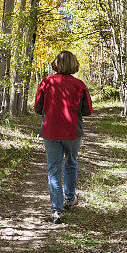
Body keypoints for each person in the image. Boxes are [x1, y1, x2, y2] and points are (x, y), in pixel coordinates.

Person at [34, 50, 93, 224]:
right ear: (74, 64)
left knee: (54, 169)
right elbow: (87, 110)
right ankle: (70, 198)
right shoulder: (79, 85)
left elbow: (38, 108)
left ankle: (56, 210)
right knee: (71, 163)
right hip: (73, 132)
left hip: (51, 132)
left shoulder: (46, 82)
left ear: (56, 64)